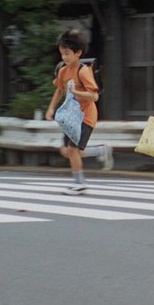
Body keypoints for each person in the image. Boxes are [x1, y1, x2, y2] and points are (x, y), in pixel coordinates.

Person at [45, 29, 112, 195]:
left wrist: (76, 92)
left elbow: (94, 96)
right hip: (71, 117)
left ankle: (79, 183)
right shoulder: (63, 71)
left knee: (73, 149)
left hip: (85, 116)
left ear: (78, 53)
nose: (64, 57)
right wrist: (51, 108)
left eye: (67, 53)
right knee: (66, 151)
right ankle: (100, 151)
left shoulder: (83, 71)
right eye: (62, 54)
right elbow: (59, 90)